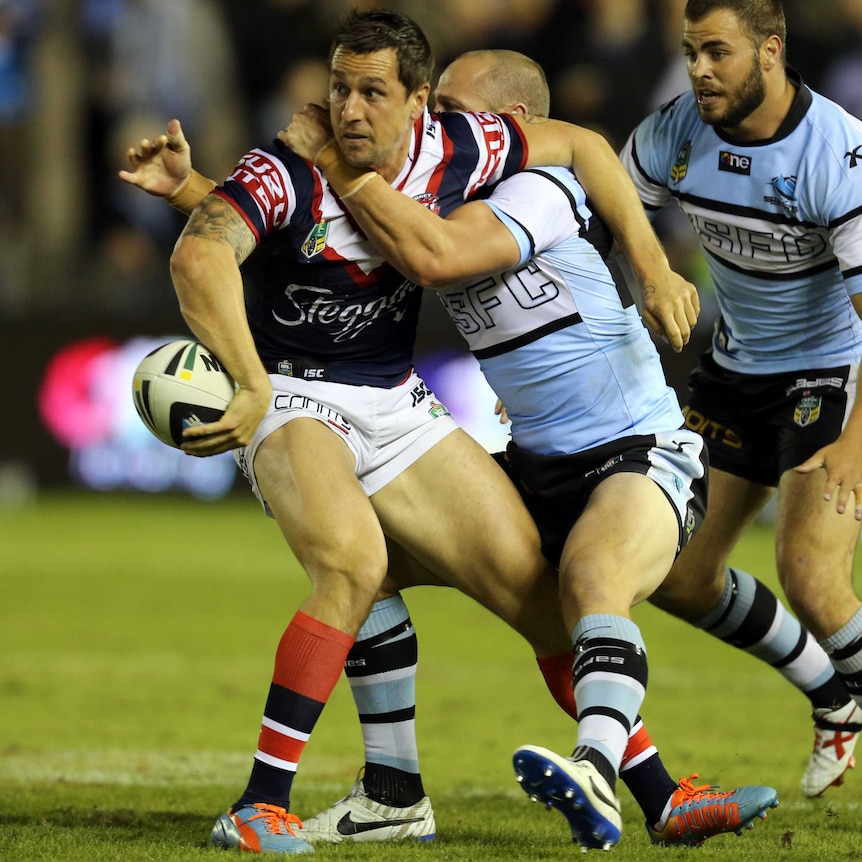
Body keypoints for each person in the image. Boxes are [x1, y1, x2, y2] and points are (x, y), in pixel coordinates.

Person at [121, 13, 768, 853]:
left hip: (395, 402)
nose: (348, 110)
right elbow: (201, 258)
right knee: (355, 564)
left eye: (372, 93)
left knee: (543, 603)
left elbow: (585, 146)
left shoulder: (461, 145)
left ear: (420, 102)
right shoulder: (281, 164)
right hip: (292, 398)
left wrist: (650, 262)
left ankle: (650, 795)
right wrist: (247, 381)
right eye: (340, 88)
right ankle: (257, 804)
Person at [616, 0, 862, 799]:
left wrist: (855, 444)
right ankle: (834, 696)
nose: (698, 70)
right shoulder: (674, 132)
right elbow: (601, 216)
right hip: (734, 371)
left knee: (811, 576)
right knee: (679, 576)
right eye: (690, 52)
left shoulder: (838, 155)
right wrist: (651, 271)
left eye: (717, 53)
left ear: (771, 51)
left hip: (832, 371)